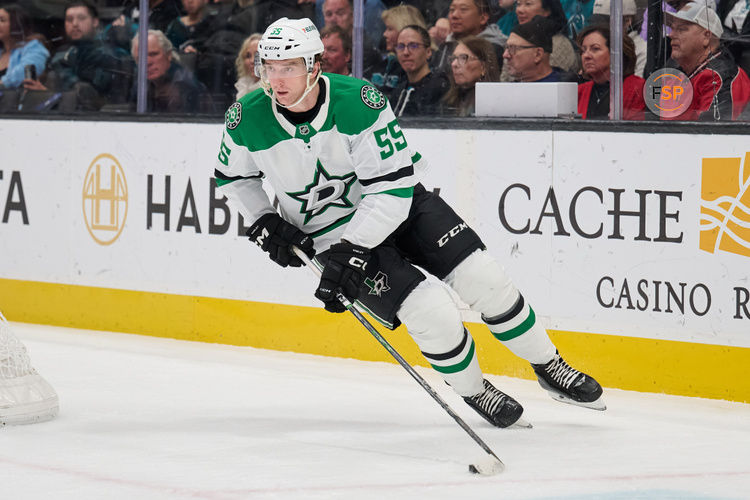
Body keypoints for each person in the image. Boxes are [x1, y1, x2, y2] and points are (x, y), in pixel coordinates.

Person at [215, 16, 605, 430]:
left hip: (399, 208)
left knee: (485, 280)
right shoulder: (246, 116)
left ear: (314, 66)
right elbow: (235, 179)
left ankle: (550, 366)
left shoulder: (358, 101)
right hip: (330, 233)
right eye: (269, 67)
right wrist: (263, 220)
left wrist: (352, 251)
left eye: (288, 66)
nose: (276, 78)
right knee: (432, 313)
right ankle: (475, 390)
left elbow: (390, 192)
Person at [24, 0, 134, 110]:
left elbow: (86, 97)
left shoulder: (106, 55)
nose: (75, 24)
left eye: (81, 18)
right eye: (69, 20)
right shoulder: (62, 52)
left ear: (95, 22)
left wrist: (46, 94)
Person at [665, 2, 750, 120]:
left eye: (681, 29)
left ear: (706, 37)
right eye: (672, 29)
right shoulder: (677, 74)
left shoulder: (719, 77)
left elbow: (710, 134)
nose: (671, 35)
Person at [499, 0, 580, 81]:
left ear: (547, 10)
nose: (519, 10)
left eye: (528, 4)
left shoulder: (558, 44)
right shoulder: (514, 39)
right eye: (518, 4)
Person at [576, 24, 645, 119]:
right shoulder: (579, 91)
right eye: (583, 51)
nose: (586, 56)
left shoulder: (639, 88)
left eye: (595, 49)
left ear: (615, 53)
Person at [130, 29, 204, 112]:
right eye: (140, 58)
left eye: (153, 54)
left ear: (168, 55)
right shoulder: (140, 85)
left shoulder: (186, 85)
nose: (147, 62)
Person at [432, 0, 507, 75]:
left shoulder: (495, 50)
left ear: (483, 18)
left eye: (463, 9)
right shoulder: (445, 46)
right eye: (452, 9)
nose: (454, 15)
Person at [369, 4, 427, 98]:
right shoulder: (385, 64)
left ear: (404, 29)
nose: (384, 34)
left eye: (390, 29)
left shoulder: (419, 67)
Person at [392, 24, 450, 116]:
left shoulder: (439, 87)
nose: (406, 52)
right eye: (401, 46)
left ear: (428, 52)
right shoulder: (399, 90)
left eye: (413, 46)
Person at [441, 35, 500, 115]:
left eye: (463, 58)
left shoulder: (495, 105)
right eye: (453, 58)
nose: (454, 64)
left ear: (483, 67)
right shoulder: (447, 101)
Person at [588, 0, 646, 77]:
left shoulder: (642, 50)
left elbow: (637, 85)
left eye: (605, 24)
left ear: (627, 21)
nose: (599, 29)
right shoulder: (593, 48)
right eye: (596, 23)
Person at [0, 3, 49, 91]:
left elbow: (25, 72)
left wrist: (3, 82)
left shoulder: (33, 47)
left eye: (2, 20)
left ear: (16, 24)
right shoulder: (1, 52)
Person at [234, 33, 261, 99]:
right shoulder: (242, 86)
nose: (252, 61)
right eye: (248, 56)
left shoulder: (275, 90)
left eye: (257, 55)